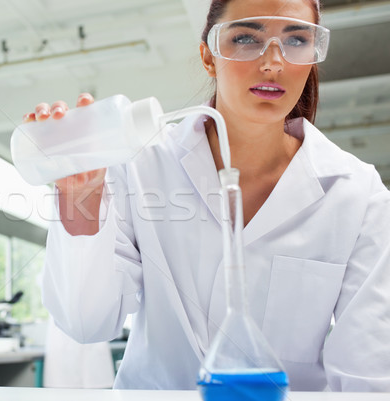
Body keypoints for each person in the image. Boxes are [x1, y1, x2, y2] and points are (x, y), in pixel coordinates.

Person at [23, 0, 390, 391]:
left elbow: (367, 377)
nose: (272, 62)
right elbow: (86, 322)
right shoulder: (141, 162)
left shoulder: (357, 193)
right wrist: (80, 197)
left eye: (296, 39)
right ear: (208, 56)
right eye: (246, 38)